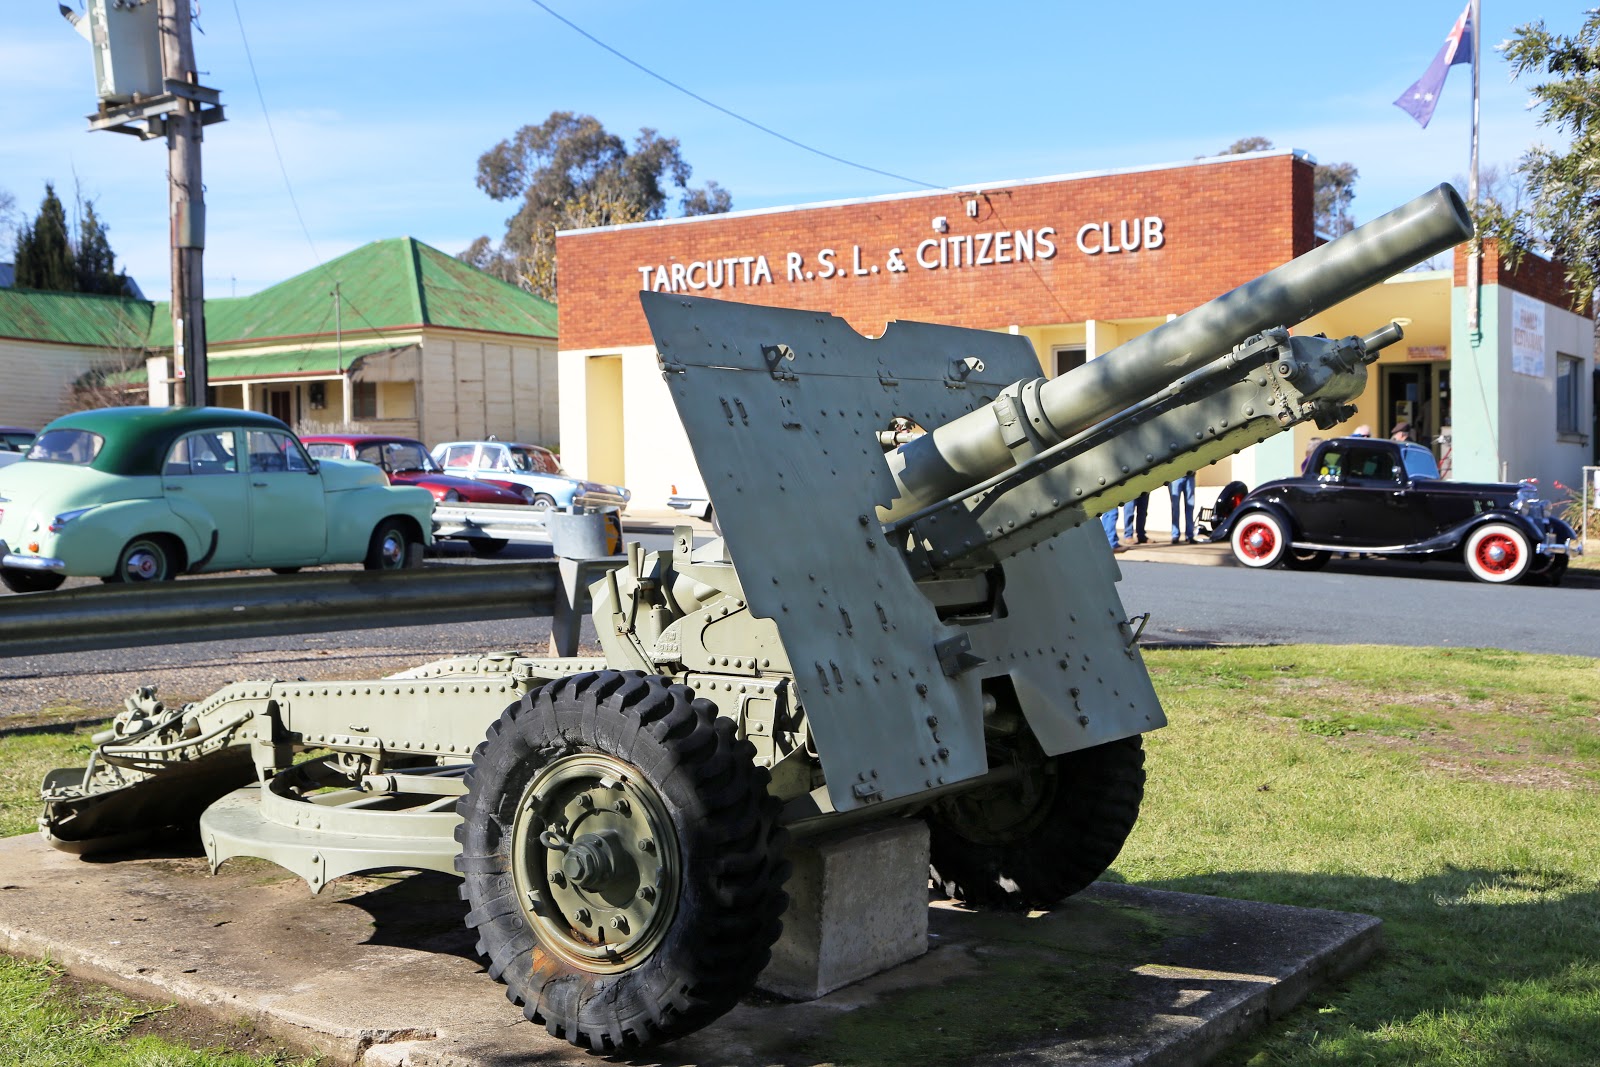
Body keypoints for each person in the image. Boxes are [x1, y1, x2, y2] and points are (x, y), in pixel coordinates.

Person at [1168, 472, 1196, 543]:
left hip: (1190, 476)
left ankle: (1190, 535)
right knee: (1175, 508)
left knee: (1190, 507)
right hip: (1175, 477)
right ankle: (1175, 535)